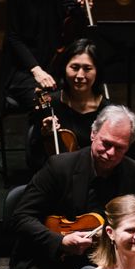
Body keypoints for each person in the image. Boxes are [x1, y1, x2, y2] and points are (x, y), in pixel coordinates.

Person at [9, 105, 135, 269]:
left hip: (103, 260)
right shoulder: (59, 167)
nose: (110, 153)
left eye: (119, 148)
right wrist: (60, 241)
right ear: (93, 134)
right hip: (44, 258)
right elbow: (20, 218)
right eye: (106, 143)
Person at [25, 38, 110, 171]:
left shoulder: (108, 112)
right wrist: (45, 135)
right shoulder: (49, 104)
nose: (80, 75)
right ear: (64, 68)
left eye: (87, 68)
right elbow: (34, 156)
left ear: (97, 71)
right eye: (74, 68)